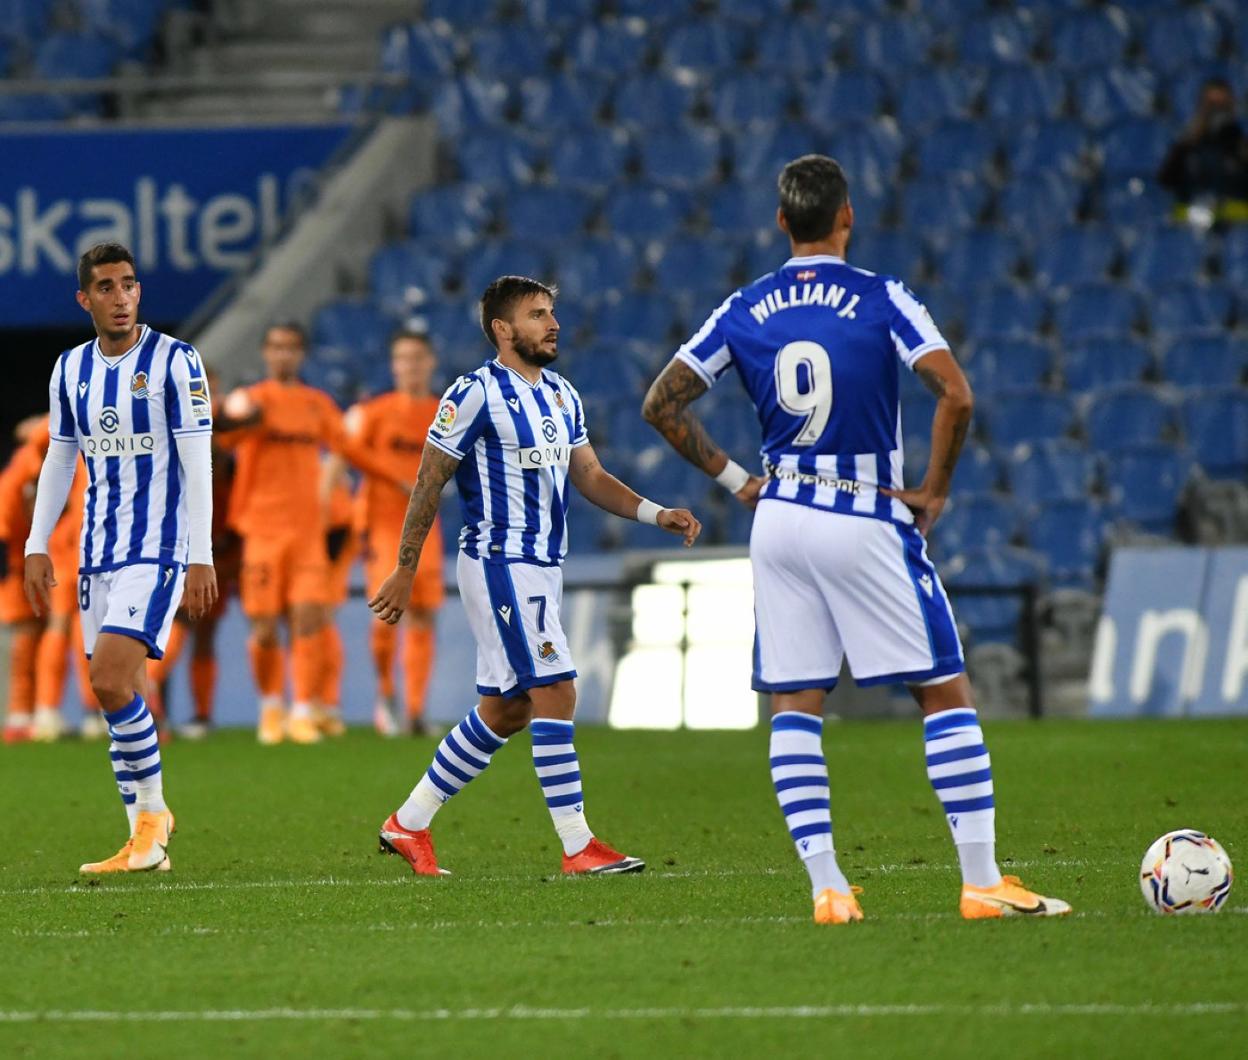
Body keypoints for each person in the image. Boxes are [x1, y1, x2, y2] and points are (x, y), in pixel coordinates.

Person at [641, 155, 1071, 924]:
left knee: (795, 706)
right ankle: (981, 881)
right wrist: (933, 490)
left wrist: (738, 479)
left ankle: (829, 889)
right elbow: (955, 393)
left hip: (778, 519)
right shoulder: (881, 296)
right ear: (847, 217)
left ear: (781, 223)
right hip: (860, 509)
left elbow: (660, 403)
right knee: (943, 691)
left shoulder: (744, 304)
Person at [369, 275, 701, 877]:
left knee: (507, 710)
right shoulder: (471, 395)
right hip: (499, 563)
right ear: (502, 329)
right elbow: (428, 480)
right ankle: (578, 846)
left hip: (543, 568)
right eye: (537, 314)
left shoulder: (562, 396)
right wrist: (405, 568)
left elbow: (591, 476)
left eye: (552, 312)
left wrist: (656, 512)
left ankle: (407, 824)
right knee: (557, 692)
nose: (552, 323)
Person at [23, 241, 217, 873]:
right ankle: (142, 841)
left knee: (108, 679)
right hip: (95, 550)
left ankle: (154, 817)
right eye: (105, 287)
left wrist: (200, 555)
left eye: (129, 284)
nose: (120, 297)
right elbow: (59, 459)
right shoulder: (69, 369)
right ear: (85, 299)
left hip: (157, 549)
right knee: (119, 694)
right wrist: (35, 541)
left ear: (140, 292)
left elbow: (196, 460)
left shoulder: (175, 361)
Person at [217, 323, 345, 745]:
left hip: (308, 530)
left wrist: (405, 480)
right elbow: (220, 439)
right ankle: (271, 706)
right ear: (265, 354)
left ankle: (303, 710)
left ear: (302, 354)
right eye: (275, 347)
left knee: (309, 620)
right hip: (263, 530)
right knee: (265, 627)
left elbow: (349, 449)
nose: (283, 355)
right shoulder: (253, 401)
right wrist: (229, 417)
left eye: (290, 348)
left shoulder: (316, 404)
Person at [333, 330, 445, 737]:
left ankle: (415, 711)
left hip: (426, 528)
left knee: (424, 614)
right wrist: (394, 476)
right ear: (394, 365)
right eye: (403, 357)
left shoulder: (442, 412)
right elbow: (345, 449)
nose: (411, 365)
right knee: (388, 613)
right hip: (383, 526)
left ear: (430, 362)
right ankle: (386, 695)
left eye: (418, 357)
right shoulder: (375, 412)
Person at [1158, 76, 1248, 221]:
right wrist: (1188, 142)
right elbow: (1166, 181)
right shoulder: (1188, 143)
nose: (1217, 111)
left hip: (1237, 227)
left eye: (1223, 105)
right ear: (1201, 106)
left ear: (1232, 106)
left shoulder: (1240, 141)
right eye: (1211, 105)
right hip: (1193, 226)